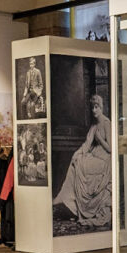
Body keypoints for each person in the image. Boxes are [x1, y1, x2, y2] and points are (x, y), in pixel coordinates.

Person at [51, 92, 111, 228]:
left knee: (80, 165)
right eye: (93, 107)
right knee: (76, 161)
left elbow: (111, 149)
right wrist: (77, 153)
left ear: (102, 108)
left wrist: (100, 139)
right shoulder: (94, 125)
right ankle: (69, 201)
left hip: (104, 158)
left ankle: (67, 199)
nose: (94, 110)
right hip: (94, 155)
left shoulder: (107, 123)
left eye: (97, 107)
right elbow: (86, 144)